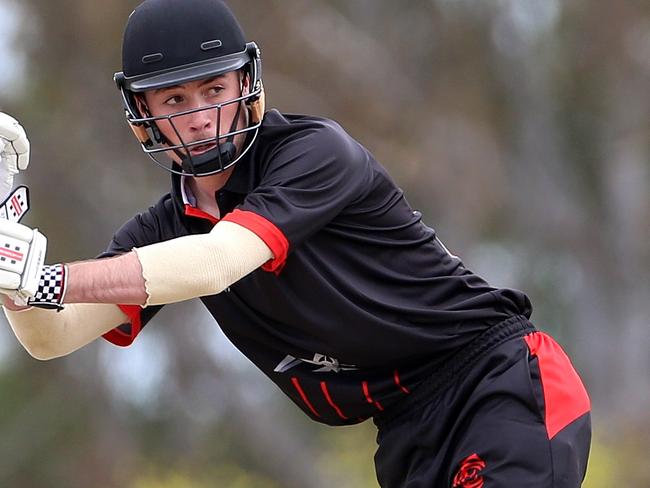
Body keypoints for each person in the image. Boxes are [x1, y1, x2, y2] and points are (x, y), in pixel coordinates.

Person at [0, 0, 591, 486]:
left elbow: (216, 262)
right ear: (144, 116)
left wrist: (44, 276)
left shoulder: (312, 153)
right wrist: (10, 257)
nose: (202, 116)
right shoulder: (163, 230)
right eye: (175, 100)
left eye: (214, 88)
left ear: (247, 83)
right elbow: (51, 336)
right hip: (405, 430)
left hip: (497, 382)